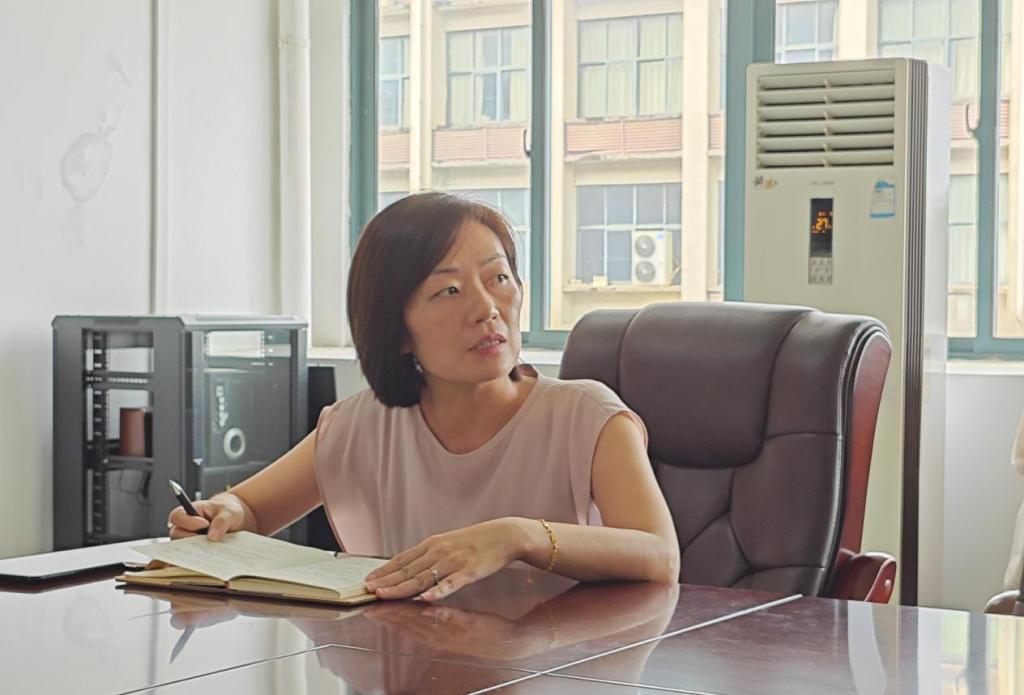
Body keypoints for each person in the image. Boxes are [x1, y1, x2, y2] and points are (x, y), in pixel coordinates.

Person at [168, 192, 680, 602]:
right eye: (449, 291)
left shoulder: (588, 415)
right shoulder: (362, 425)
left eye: (499, 278)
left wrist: (516, 537)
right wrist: (220, 513)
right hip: (411, 667)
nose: (487, 308)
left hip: (555, 671)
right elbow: (250, 508)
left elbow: (659, 555)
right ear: (397, 330)